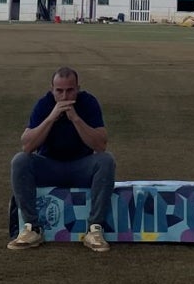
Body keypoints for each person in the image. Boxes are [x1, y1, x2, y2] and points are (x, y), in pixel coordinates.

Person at [8, 67, 116, 252]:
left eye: (70, 90)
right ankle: (32, 228)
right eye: (59, 91)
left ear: (78, 88)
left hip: (81, 167)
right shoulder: (44, 104)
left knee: (106, 160)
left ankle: (94, 228)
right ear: (52, 89)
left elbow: (100, 145)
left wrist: (75, 118)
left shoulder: (88, 103)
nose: (65, 96)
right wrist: (51, 118)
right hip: (49, 166)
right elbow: (27, 146)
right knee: (20, 161)